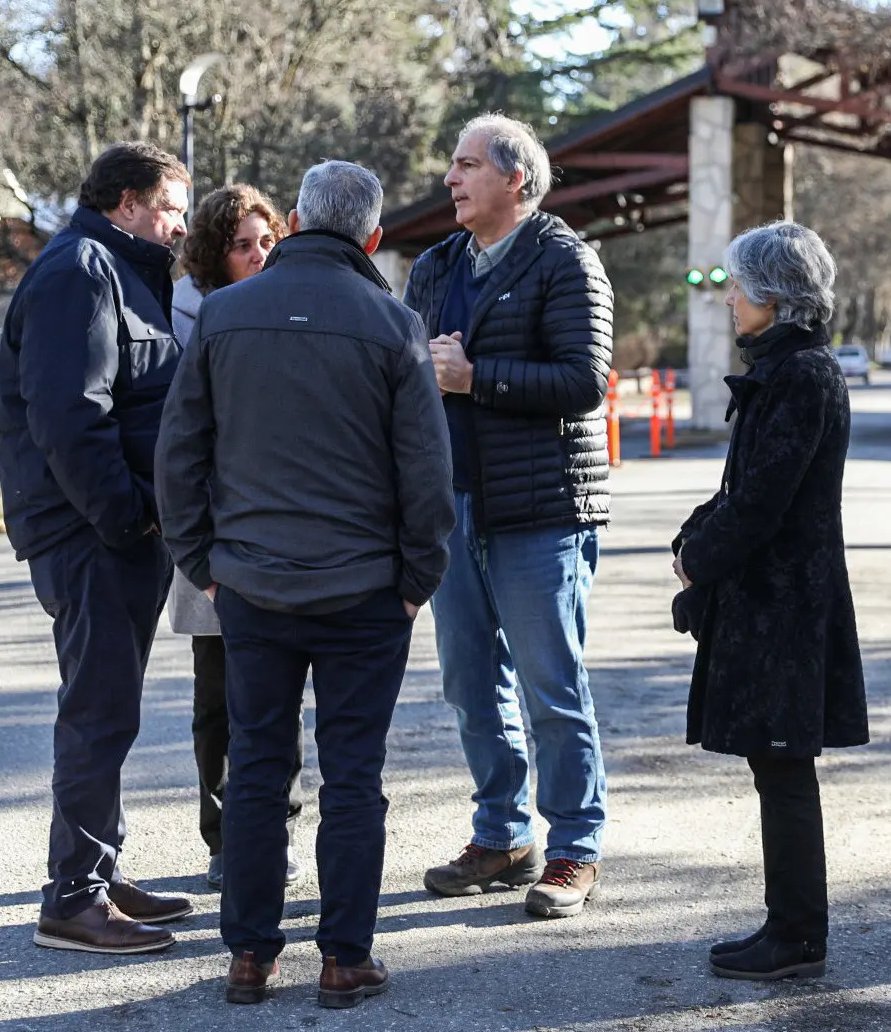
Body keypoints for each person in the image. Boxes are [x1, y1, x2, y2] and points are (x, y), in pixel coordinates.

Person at [155, 161, 455, 1009]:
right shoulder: (394, 324)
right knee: (352, 775)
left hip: (251, 585)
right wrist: (415, 580)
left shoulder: (221, 314)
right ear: (372, 237)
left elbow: (178, 456)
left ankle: (249, 955)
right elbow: (427, 474)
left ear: (291, 221)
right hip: (365, 592)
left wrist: (203, 562)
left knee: (255, 765)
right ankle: (342, 957)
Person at [406, 114, 615, 919]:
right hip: (453, 507)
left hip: (542, 512)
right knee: (468, 684)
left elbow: (583, 380)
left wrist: (475, 378)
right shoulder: (433, 266)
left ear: (514, 179)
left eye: (465, 165)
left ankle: (573, 849)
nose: (451, 179)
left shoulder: (566, 261)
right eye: (451, 165)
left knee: (550, 687)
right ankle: (502, 835)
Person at [0, 141, 194, 955]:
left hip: (119, 533)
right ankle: (73, 899)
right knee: (98, 712)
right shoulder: (81, 270)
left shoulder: (122, 270)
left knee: (110, 709)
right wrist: (127, 518)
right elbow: (70, 415)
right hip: (92, 535)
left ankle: (99, 874)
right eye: (172, 206)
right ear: (125, 201)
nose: (181, 224)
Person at [671, 221, 868, 981]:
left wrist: (700, 556)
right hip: (775, 601)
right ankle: (788, 926)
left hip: (787, 606)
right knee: (776, 765)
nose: (728, 301)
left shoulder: (803, 374)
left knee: (784, 766)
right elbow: (743, 490)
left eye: (739, 287)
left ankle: (796, 935)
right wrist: (697, 539)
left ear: (775, 294)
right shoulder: (788, 367)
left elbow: (763, 502)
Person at [167, 184, 304, 892]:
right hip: (213, 536)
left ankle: (276, 825)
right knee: (218, 698)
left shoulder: (294, 304)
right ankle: (223, 836)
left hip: (280, 532)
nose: (258, 256)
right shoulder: (184, 316)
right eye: (242, 245)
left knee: (280, 692)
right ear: (213, 256)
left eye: (266, 241)